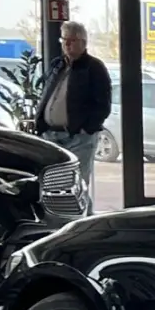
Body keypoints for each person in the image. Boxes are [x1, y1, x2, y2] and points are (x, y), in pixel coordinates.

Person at [35, 21, 111, 214]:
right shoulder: (57, 64)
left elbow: (103, 104)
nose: (67, 44)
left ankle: (86, 227)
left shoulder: (94, 68)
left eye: (72, 40)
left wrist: (87, 128)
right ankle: (62, 225)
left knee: (77, 186)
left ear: (83, 42)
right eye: (64, 40)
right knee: (53, 186)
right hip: (52, 137)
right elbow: (47, 94)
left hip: (79, 138)